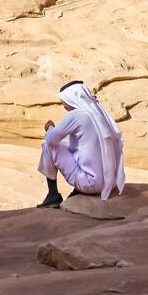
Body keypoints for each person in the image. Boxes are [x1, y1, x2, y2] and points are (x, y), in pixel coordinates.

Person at [37, 80, 125, 208]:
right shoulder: (98, 111)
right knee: (75, 146)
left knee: (48, 146)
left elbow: (51, 139)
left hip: (90, 183)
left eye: (64, 102)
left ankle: (53, 195)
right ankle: (75, 191)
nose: (64, 106)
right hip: (110, 182)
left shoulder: (76, 115)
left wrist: (50, 127)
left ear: (72, 99)